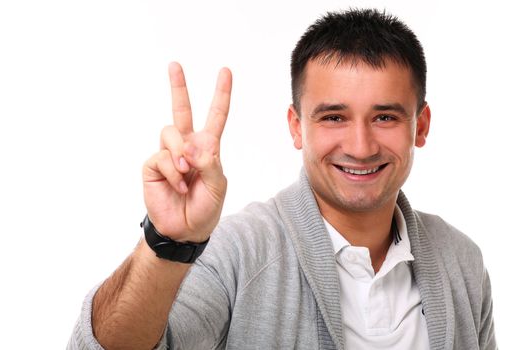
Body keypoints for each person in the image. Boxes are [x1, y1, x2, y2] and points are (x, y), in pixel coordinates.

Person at [68, 8, 496, 350]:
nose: (361, 146)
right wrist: (166, 242)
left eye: (385, 116)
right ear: (296, 127)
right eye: (334, 117)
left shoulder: (461, 260)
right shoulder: (239, 251)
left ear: (420, 126)